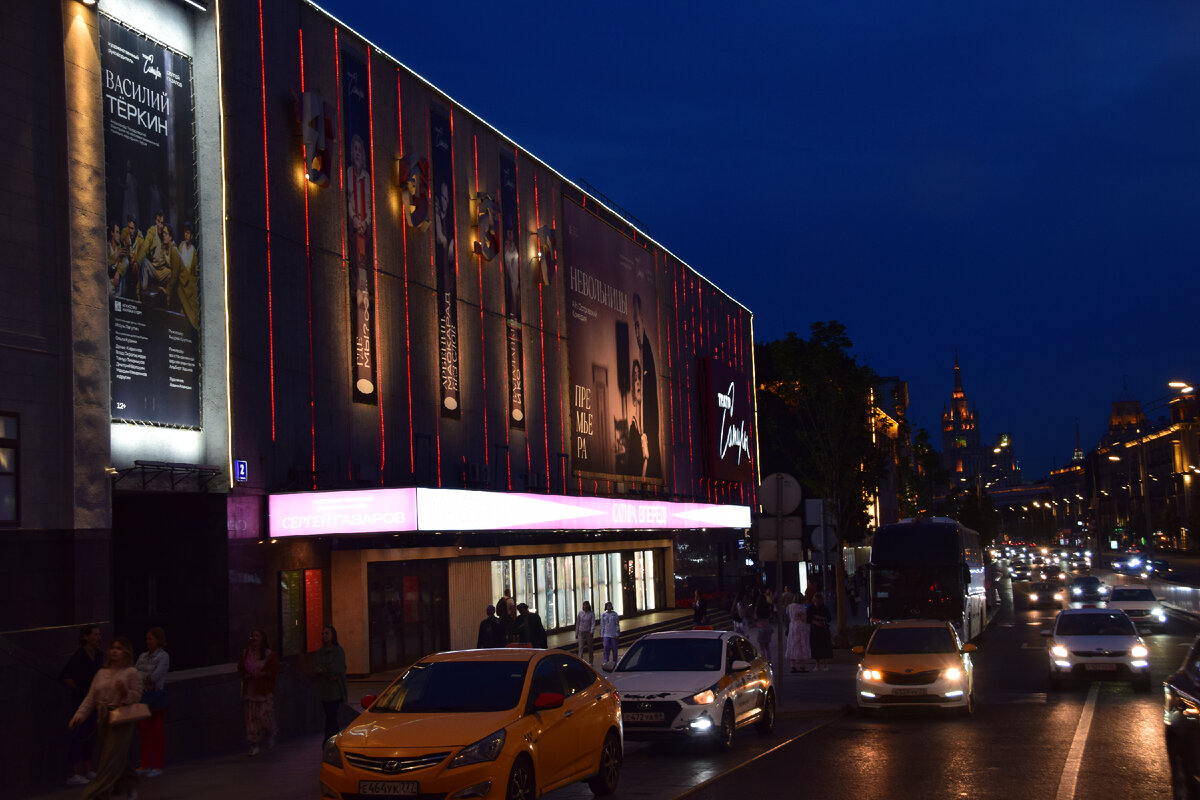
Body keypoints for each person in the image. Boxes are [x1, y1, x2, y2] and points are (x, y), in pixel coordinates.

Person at [69, 636, 142, 800]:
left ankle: (95, 793)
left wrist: (124, 692)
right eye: (113, 648)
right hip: (103, 717)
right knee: (113, 755)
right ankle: (129, 785)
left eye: (119, 648)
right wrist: (79, 716)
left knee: (110, 757)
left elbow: (136, 696)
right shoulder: (102, 673)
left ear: (126, 652)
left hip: (121, 718)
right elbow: (91, 698)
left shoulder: (131, 672)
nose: (115, 651)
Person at [60, 624, 104, 785]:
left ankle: (87, 768)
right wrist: (78, 688)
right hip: (81, 700)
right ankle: (72, 772)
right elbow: (65, 676)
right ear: (85, 637)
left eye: (99, 635)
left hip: (95, 700)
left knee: (90, 735)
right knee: (78, 734)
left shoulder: (99, 655)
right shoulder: (79, 656)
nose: (98, 638)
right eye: (94, 635)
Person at [237, 628, 279, 756]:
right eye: (253, 636)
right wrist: (247, 675)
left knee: (264, 716)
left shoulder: (269, 655)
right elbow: (240, 669)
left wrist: (263, 674)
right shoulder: (246, 653)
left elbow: (274, 671)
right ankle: (254, 744)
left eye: (257, 636)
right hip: (250, 691)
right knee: (251, 719)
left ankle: (269, 733)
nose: (254, 638)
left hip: (263, 691)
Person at [135, 627, 169, 778]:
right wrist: (144, 676)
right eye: (147, 638)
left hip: (155, 696)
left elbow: (155, 677)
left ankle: (157, 765)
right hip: (142, 695)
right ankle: (145, 763)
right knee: (144, 732)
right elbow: (134, 674)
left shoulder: (163, 656)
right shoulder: (142, 656)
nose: (148, 641)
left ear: (158, 639)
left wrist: (143, 675)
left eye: (151, 638)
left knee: (156, 732)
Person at [631, 293, 659, 477]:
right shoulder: (642, 351)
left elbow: (650, 403)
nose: (636, 330)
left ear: (643, 320)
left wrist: (644, 436)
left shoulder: (646, 352)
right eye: (634, 326)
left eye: (637, 324)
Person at [313, 625, 348, 741]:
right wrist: (325, 671)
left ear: (333, 635)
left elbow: (337, 668)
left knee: (331, 715)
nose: (324, 636)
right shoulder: (319, 652)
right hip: (324, 689)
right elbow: (316, 667)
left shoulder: (338, 651)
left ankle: (329, 739)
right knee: (329, 715)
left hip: (335, 690)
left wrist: (325, 671)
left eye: (327, 633)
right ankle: (334, 738)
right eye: (323, 634)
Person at [784, 593, 812, 673]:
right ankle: (802, 666)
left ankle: (793, 666)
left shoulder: (789, 607)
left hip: (792, 626)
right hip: (801, 627)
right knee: (801, 645)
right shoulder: (802, 607)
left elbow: (788, 616)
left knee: (793, 645)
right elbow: (804, 619)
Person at [808, 592, 834, 671]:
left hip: (823, 630)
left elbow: (829, 618)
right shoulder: (811, 608)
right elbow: (808, 619)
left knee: (825, 647)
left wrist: (821, 618)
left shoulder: (824, 608)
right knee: (815, 647)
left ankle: (825, 664)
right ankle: (817, 664)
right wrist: (815, 622)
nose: (817, 603)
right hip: (815, 630)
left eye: (819, 601)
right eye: (816, 601)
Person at [754, 589, 774, 660]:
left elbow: (755, 617)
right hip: (768, 627)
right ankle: (769, 660)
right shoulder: (767, 608)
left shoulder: (758, 609)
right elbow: (770, 616)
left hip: (761, 628)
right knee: (767, 646)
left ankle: (763, 660)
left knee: (761, 647)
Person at [598, 602, 621, 666]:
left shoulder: (615, 614)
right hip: (606, 634)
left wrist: (617, 633)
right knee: (606, 647)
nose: (609, 607)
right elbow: (602, 625)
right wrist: (601, 634)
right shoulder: (603, 615)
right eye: (608, 606)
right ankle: (606, 660)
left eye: (610, 606)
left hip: (613, 634)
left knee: (614, 647)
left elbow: (617, 624)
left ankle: (615, 661)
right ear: (606, 607)